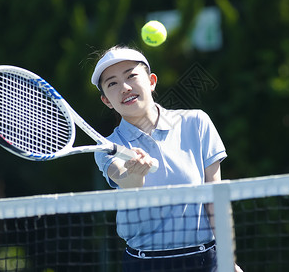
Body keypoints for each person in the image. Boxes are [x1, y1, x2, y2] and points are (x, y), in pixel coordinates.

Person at [92, 46, 242, 272]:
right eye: (112, 83)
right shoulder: (106, 147)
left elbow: (215, 198)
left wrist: (228, 260)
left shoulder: (197, 122)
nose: (124, 87)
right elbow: (124, 180)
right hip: (144, 264)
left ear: (151, 81)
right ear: (107, 101)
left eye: (131, 76)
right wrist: (134, 174)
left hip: (205, 260)